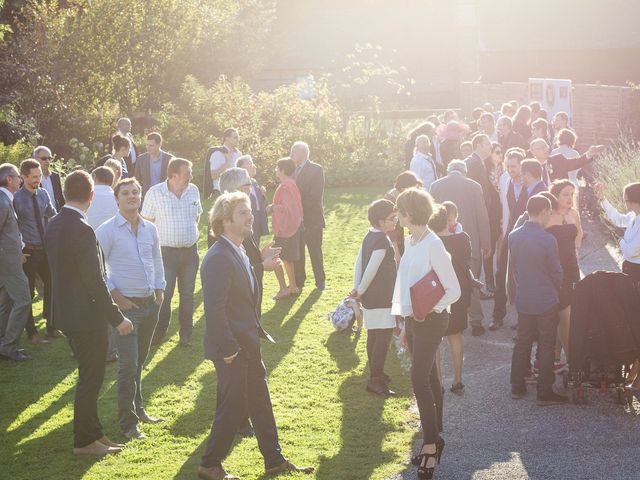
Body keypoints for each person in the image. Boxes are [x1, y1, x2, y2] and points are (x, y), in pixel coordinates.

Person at [198, 192, 313, 480]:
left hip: (247, 341)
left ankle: (273, 459)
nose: (251, 217)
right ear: (224, 221)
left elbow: (244, 284)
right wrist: (228, 348)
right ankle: (210, 464)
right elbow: (214, 309)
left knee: (259, 398)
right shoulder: (218, 257)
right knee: (234, 405)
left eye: (250, 211)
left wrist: (260, 265)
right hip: (232, 347)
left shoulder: (236, 249)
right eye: (243, 213)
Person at [44, 170, 133, 455]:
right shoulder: (82, 229)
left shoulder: (54, 224)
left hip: (66, 313)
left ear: (64, 193)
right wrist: (117, 318)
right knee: (90, 379)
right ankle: (84, 442)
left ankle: (95, 434)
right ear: (91, 196)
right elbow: (94, 280)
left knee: (89, 376)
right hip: (85, 317)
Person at [392, 188, 460, 480]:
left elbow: (453, 290)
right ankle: (435, 433)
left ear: (410, 213)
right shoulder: (412, 240)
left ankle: (431, 443)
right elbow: (407, 283)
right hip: (415, 320)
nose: (397, 216)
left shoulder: (433, 244)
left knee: (418, 378)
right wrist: (408, 322)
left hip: (433, 320)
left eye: (400, 212)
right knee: (429, 378)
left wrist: (429, 308)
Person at [96, 178, 166, 440]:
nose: (132, 196)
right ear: (117, 199)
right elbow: (97, 269)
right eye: (125, 193)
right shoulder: (107, 230)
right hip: (126, 309)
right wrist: (115, 296)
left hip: (151, 305)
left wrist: (160, 290)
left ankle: (139, 409)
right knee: (127, 367)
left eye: (136, 192)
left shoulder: (150, 229)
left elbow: (158, 260)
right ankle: (128, 424)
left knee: (139, 362)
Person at [509, 195, 566, 406]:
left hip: (524, 297)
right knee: (546, 343)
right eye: (548, 214)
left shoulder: (513, 236)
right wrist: (556, 288)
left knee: (522, 341)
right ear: (543, 212)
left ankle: (517, 386)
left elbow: (514, 269)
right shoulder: (548, 239)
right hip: (546, 299)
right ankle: (544, 390)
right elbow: (556, 271)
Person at [142, 158, 202, 347]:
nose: (191, 176)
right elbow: (147, 222)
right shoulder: (155, 192)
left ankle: (186, 335)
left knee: (187, 295)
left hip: (190, 253)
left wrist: (187, 235)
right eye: (187, 173)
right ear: (173, 175)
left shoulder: (193, 190)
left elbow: (197, 216)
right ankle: (158, 333)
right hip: (165, 254)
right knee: (164, 295)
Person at [430, 160, 490, 336]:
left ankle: (445, 316)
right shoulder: (474, 186)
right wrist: (486, 242)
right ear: (464, 172)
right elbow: (482, 215)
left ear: (449, 171)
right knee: (470, 280)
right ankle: (476, 320)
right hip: (468, 242)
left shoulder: (435, 186)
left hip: (440, 243)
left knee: (442, 280)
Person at [351, 199, 398, 396]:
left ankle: (376, 373)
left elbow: (358, 263)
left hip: (371, 295)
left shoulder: (370, 235)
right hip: (381, 296)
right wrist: (359, 291)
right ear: (380, 221)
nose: (395, 220)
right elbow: (370, 268)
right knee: (383, 336)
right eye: (391, 218)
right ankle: (375, 379)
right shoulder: (382, 240)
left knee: (374, 335)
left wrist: (358, 288)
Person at [13, 159, 58, 344]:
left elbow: (52, 214)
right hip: (28, 252)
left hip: (45, 250)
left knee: (53, 285)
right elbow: (11, 228)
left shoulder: (44, 194)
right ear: (23, 177)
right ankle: (32, 333)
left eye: (39, 176)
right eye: (33, 177)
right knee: (28, 293)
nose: (37, 180)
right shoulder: (15, 199)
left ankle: (52, 326)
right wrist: (17, 252)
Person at [429, 202, 471, 395]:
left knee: (435, 340)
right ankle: (458, 380)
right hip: (459, 292)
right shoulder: (463, 239)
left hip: (437, 293)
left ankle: (437, 381)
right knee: (456, 336)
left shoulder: (431, 244)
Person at [546, 181, 583, 366]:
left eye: (572, 194)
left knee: (566, 315)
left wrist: (575, 251)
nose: (570, 198)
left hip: (572, 269)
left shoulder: (574, 214)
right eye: (565, 194)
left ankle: (556, 357)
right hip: (554, 272)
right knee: (564, 316)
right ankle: (572, 362)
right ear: (556, 196)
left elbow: (579, 235)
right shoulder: (549, 216)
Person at [0, 163, 32, 361]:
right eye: (17, 176)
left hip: (9, 261)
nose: (21, 180)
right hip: (7, 264)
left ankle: (4, 343)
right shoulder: (2, 202)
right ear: (9, 179)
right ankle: (9, 346)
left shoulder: (5, 199)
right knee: (24, 300)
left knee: (7, 303)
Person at [492, 148, 527, 330]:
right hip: (509, 231)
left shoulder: (530, 182)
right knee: (501, 273)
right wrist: (502, 231)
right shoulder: (505, 180)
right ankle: (498, 315)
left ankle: (523, 320)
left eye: (514, 166)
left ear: (521, 165)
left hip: (526, 234)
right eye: (508, 166)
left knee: (523, 277)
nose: (511, 169)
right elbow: (503, 207)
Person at [291, 141, 326, 290]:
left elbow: (315, 195)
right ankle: (299, 281)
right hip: (296, 221)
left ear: (302, 153)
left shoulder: (316, 169)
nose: (291, 154)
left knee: (315, 251)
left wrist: (297, 208)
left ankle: (320, 281)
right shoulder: (292, 170)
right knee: (298, 252)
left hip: (312, 219)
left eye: (293, 151)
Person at [267, 158, 303, 299]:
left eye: (277, 167)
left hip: (286, 228)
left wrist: (272, 208)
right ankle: (293, 286)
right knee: (288, 259)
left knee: (276, 256)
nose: (276, 170)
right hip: (292, 227)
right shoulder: (291, 184)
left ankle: (284, 289)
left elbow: (287, 209)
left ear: (282, 170)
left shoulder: (286, 187)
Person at [594, 182, 640, 281]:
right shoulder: (633, 215)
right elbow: (618, 219)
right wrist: (602, 199)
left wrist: (620, 240)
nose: (624, 203)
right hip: (629, 268)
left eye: (625, 200)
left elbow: (630, 252)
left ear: (635, 201)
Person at [529, 138, 603, 186]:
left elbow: (576, 163)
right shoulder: (529, 167)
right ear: (532, 152)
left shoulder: (557, 159)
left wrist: (589, 154)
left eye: (545, 146)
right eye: (540, 148)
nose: (544, 150)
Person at [385, 171, 422, 261]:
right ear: (404, 187)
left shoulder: (401, 195)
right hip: (391, 242)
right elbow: (390, 230)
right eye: (413, 187)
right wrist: (396, 252)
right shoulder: (392, 200)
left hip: (399, 239)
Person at [236, 154, 269, 245]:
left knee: (255, 245)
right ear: (242, 168)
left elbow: (259, 203)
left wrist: (262, 194)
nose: (254, 166)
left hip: (256, 219)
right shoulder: (239, 184)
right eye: (250, 164)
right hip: (245, 220)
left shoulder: (254, 182)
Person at [205, 127, 242, 199]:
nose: (238, 139)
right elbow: (213, 176)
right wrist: (227, 163)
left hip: (236, 191)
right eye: (235, 137)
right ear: (226, 138)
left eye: (238, 137)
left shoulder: (238, 154)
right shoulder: (218, 153)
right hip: (221, 192)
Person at [134, 132, 173, 197]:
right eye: (147, 145)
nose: (148, 147)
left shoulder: (170, 159)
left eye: (151, 145)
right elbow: (136, 179)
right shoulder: (141, 159)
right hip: (147, 195)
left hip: (165, 195)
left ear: (159, 145)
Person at [34, 146, 65, 210]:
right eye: (44, 158)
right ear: (35, 159)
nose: (47, 161)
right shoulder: (30, 178)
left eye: (49, 158)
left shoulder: (55, 176)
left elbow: (60, 199)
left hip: (56, 217)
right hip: (40, 217)